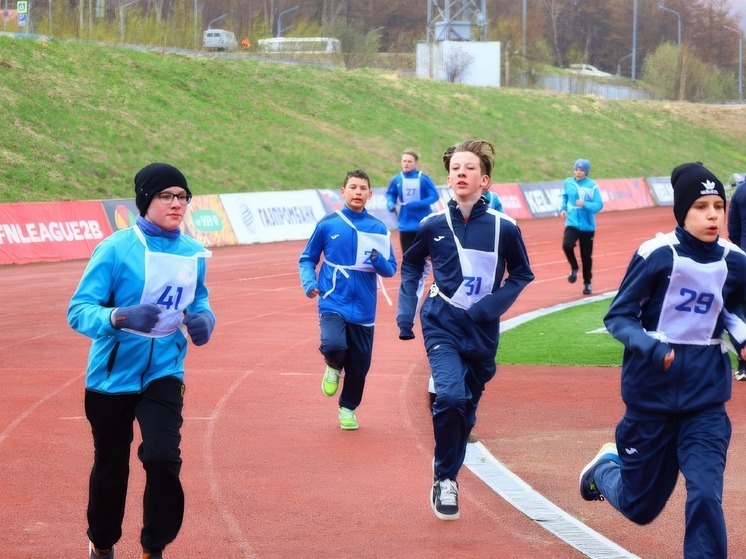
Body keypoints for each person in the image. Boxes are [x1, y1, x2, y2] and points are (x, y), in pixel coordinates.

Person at [579, 162, 746, 559]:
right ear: (682, 211)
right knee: (641, 508)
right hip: (651, 397)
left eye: (718, 206)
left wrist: (742, 338)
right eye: (701, 207)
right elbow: (618, 317)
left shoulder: (736, 261)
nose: (712, 215)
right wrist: (652, 347)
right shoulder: (656, 254)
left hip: (705, 400)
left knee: (706, 493)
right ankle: (605, 468)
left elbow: (734, 309)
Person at [68, 163, 215, 559]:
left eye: (182, 196)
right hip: (111, 375)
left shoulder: (193, 253)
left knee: (164, 457)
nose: (177, 204)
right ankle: (102, 542)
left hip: (165, 370)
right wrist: (116, 317)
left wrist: (205, 319)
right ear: (146, 201)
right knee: (112, 466)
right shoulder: (116, 248)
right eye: (166, 196)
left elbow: (199, 299)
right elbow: (78, 310)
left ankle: (154, 547)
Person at [397, 140, 534, 521]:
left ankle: (449, 463)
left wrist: (490, 307)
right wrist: (405, 315)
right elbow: (410, 267)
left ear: (484, 180)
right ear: (448, 178)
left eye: (469, 167)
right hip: (441, 320)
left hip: (482, 330)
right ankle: (445, 478)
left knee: (466, 411)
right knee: (451, 398)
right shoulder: (433, 225)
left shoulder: (505, 228)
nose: (461, 172)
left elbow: (522, 273)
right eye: (455, 167)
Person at [299, 169, 397, 430]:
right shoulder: (328, 224)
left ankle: (347, 409)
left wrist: (378, 261)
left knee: (359, 367)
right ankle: (332, 365)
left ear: (370, 194)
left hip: (365, 308)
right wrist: (309, 283)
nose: (357, 192)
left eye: (363, 188)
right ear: (343, 192)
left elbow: (391, 270)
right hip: (333, 299)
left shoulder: (378, 229)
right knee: (334, 343)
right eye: (352, 187)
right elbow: (307, 259)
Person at [559, 158, 603, 295]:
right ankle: (574, 267)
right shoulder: (568, 182)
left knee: (586, 256)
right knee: (567, 245)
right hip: (572, 222)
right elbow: (565, 197)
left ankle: (587, 282)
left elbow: (599, 205)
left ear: (586, 172)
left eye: (582, 170)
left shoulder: (592, 186)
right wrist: (563, 209)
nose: (578, 172)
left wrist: (584, 204)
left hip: (587, 227)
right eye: (576, 169)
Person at [385, 149, 439, 256]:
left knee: (423, 256)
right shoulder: (397, 179)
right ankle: (409, 273)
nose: (406, 163)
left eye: (409, 161)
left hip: (423, 222)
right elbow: (391, 194)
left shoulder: (423, 179)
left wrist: (418, 204)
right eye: (404, 161)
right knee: (407, 255)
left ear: (415, 163)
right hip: (405, 223)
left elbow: (434, 196)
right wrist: (390, 203)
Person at [727, 177, 746, 381]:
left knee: (740, 313)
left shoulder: (740, 191)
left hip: (744, 259)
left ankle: (744, 364)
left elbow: (732, 229)